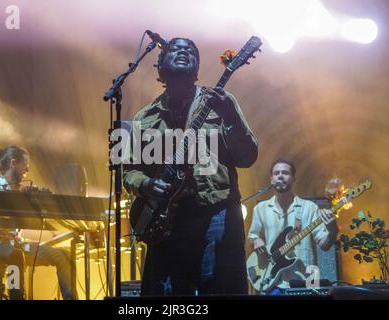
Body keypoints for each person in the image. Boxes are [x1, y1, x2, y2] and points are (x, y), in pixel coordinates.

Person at [123, 38, 258, 296]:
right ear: (161, 66)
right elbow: (127, 171)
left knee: (221, 289)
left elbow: (247, 157)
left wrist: (230, 118)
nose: (184, 51)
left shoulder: (221, 101)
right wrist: (147, 185)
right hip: (166, 221)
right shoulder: (145, 117)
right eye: (176, 49)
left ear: (197, 69)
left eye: (191, 51)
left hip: (215, 215)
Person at [0, 146, 77, 300]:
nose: (27, 169)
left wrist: (36, 201)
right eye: (25, 164)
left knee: (64, 256)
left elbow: (26, 223)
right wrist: (19, 200)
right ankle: (17, 297)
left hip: (18, 245)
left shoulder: (22, 191)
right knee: (16, 254)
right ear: (13, 163)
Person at [248, 159, 339, 293]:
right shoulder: (260, 209)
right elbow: (251, 237)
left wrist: (333, 230)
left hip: (305, 281)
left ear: (293, 178)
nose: (280, 175)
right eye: (276, 173)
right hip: (272, 283)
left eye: (285, 173)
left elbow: (325, 246)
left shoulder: (309, 208)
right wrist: (255, 240)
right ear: (271, 179)